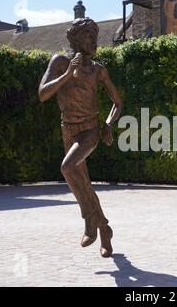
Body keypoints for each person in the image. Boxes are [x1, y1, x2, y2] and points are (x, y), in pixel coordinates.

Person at [38, 18, 123, 258]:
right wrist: (67, 74)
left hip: (89, 130)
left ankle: (89, 222)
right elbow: (43, 94)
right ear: (75, 39)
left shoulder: (98, 69)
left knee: (67, 167)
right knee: (82, 182)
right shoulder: (59, 61)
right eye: (89, 36)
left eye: (96, 36)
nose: (94, 41)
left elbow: (118, 103)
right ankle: (104, 229)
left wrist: (107, 123)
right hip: (68, 129)